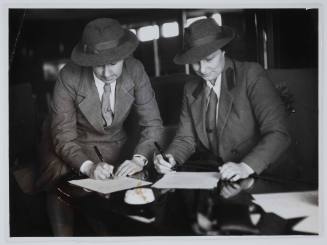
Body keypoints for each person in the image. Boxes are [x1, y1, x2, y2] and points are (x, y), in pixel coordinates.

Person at [37, 18, 163, 235]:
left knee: (114, 215)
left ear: (124, 56)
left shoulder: (135, 70)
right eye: (98, 64)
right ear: (87, 60)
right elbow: (63, 136)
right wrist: (88, 167)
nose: (106, 73)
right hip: (68, 146)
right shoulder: (68, 75)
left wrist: (138, 159)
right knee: (59, 191)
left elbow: (152, 123)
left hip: (113, 145)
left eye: (113, 63)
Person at [154, 18, 290, 182]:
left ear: (223, 51)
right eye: (195, 63)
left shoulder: (250, 74)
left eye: (209, 59)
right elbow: (186, 138)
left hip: (267, 174)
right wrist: (170, 158)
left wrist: (245, 167)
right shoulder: (190, 89)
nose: (202, 69)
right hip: (225, 176)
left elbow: (278, 132)